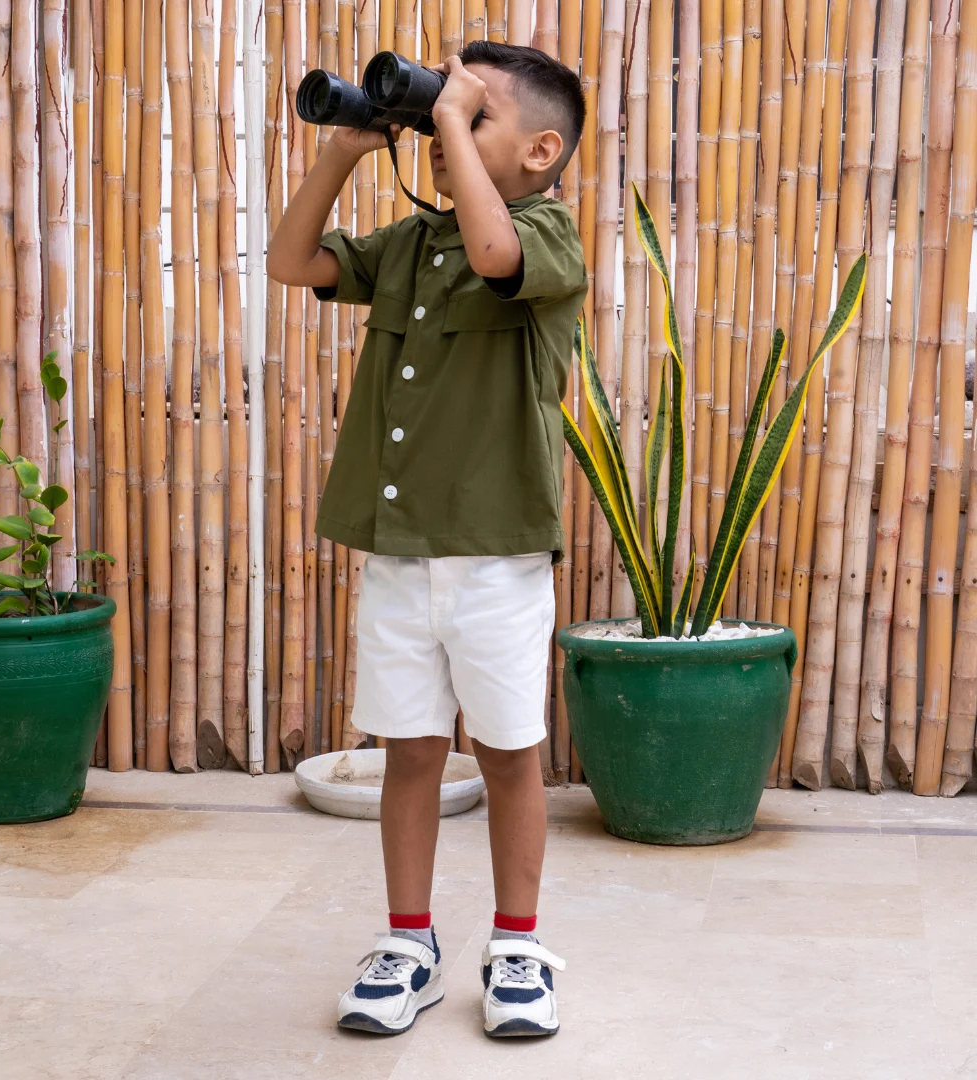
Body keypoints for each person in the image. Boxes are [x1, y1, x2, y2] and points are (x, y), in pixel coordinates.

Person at [267, 39, 587, 1039]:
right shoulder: (408, 246)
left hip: (496, 560)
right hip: (402, 557)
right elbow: (291, 262)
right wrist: (346, 151)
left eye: (477, 116)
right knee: (410, 753)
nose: (447, 129)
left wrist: (444, 111)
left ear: (539, 152)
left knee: (506, 757)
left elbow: (497, 258)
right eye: (445, 114)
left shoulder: (549, 234)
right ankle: (409, 939)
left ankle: (519, 943)